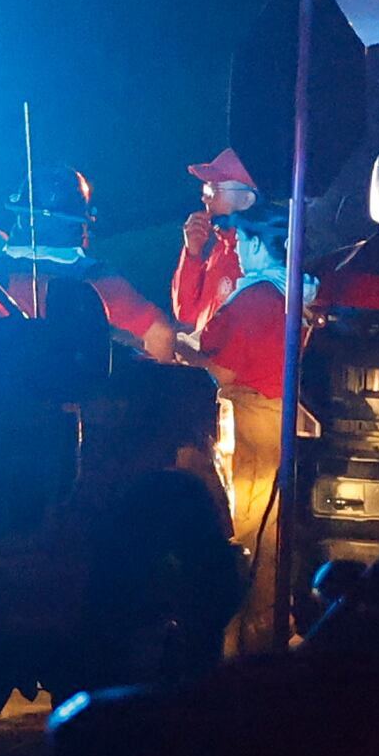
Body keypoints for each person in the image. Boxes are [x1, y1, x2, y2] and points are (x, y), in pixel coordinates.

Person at [91, 146, 291, 539]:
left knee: (249, 521)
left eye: (215, 185)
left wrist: (172, 347)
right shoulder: (223, 247)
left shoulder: (257, 268)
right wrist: (192, 253)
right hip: (219, 398)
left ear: (248, 197)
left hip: (249, 399)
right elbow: (188, 311)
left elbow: (220, 354)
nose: (205, 192)